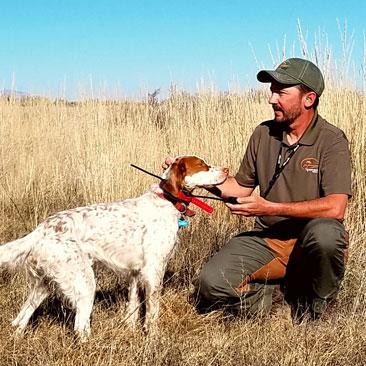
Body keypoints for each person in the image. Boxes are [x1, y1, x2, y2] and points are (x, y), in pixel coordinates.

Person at [165, 58, 352, 321]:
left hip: (310, 241)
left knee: (326, 235)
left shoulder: (332, 140)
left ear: (308, 99)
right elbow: (240, 187)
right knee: (211, 283)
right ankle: (271, 299)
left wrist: (269, 207)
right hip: (270, 239)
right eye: (272, 90)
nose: (271, 99)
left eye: (281, 92)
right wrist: (195, 176)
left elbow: (336, 207)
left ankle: (317, 310)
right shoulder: (263, 133)